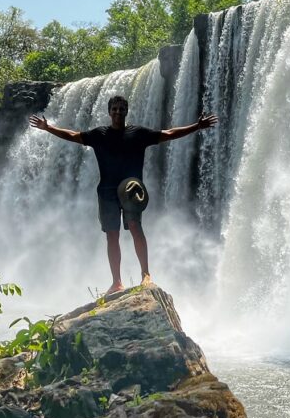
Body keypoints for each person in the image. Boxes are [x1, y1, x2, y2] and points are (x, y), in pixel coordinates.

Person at [29, 95, 218, 293]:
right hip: (106, 191)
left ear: (126, 111)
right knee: (112, 235)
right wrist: (48, 128)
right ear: (109, 112)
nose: (118, 112)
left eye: (121, 109)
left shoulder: (139, 134)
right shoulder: (99, 134)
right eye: (115, 109)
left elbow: (169, 133)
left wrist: (196, 127)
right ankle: (117, 282)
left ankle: (146, 274)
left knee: (136, 227)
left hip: (131, 190)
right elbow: (74, 136)